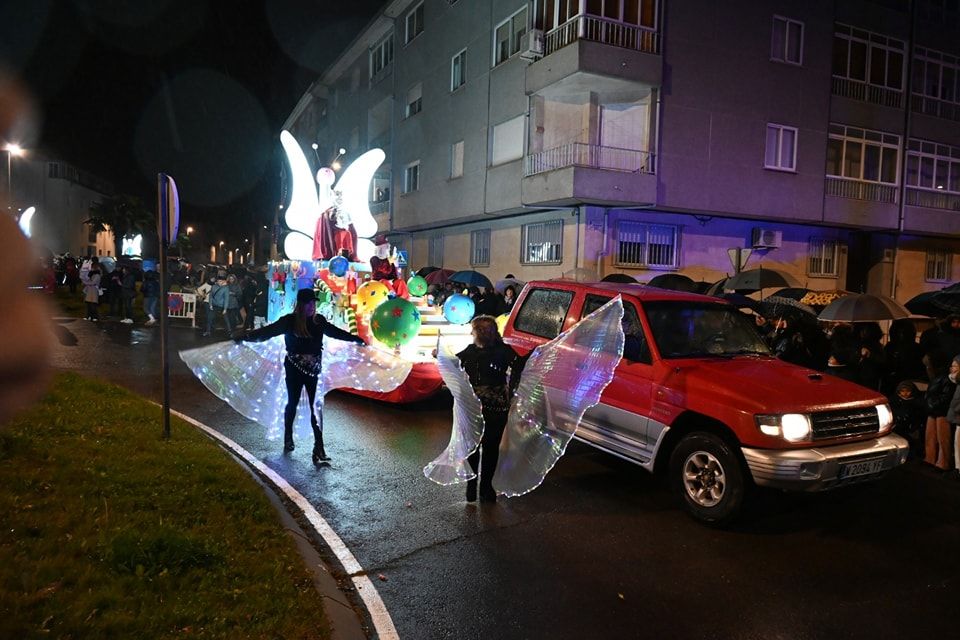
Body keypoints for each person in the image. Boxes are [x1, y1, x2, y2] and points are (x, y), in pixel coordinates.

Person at [237, 288, 365, 461]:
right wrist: (246, 337)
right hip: (294, 369)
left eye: (314, 303)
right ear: (301, 305)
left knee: (316, 406)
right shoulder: (289, 322)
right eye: (308, 303)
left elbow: (335, 332)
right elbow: (267, 332)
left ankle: (319, 447)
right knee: (293, 403)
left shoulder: (319, 321)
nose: (312, 306)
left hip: (313, 370)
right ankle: (288, 437)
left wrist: (356, 339)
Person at [455, 315, 523, 502]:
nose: (471, 333)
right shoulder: (502, 351)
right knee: (488, 448)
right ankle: (484, 489)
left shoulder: (474, 352)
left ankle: (475, 486)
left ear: (480, 333)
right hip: (493, 407)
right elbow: (521, 365)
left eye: (473, 330)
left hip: (477, 408)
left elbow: (455, 367)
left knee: (476, 447)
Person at [924, 352, 956, 471]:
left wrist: (931, 404)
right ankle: (930, 458)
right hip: (934, 410)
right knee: (931, 436)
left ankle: (943, 463)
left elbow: (946, 397)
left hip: (941, 411)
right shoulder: (938, 377)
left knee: (943, 438)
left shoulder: (944, 378)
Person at [892, 381, 925, 459]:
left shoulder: (917, 402)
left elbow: (918, 416)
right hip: (897, 427)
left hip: (911, 427)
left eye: (908, 391)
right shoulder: (894, 401)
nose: (905, 393)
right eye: (902, 391)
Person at [81, 257, 101, 322]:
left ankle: (95, 316)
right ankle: (88, 316)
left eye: (92, 268)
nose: (91, 269)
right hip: (89, 291)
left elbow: (93, 282)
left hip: (94, 291)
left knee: (93, 305)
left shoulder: (97, 275)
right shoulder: (91, 274)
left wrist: (86, 282)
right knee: (88, 304)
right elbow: (87, 279)